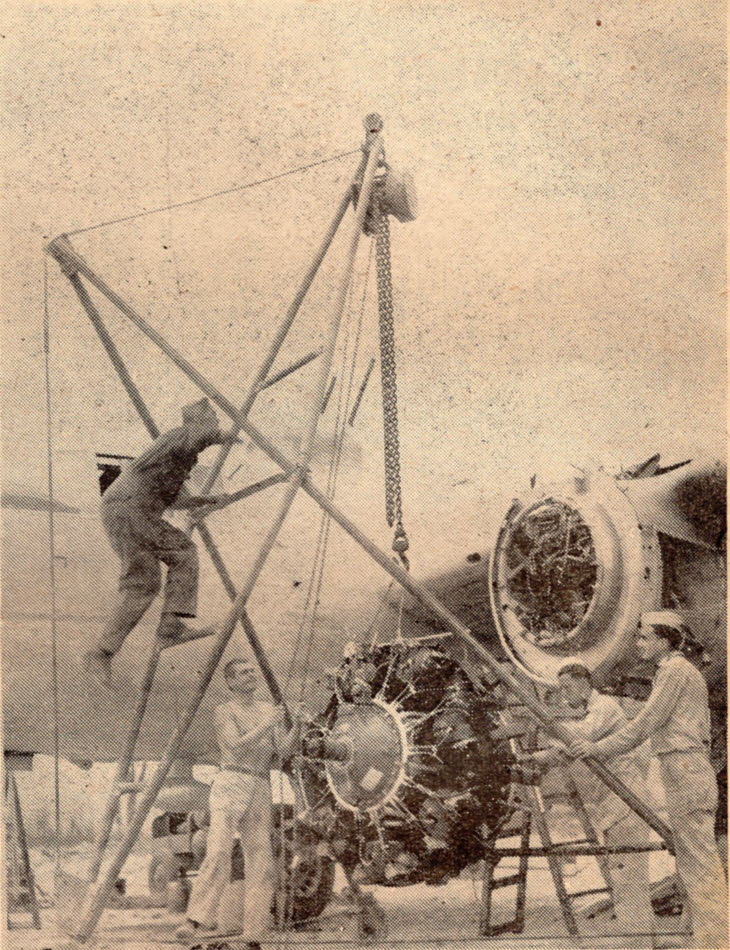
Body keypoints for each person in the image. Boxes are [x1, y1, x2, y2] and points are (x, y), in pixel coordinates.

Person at [568, 612, 728, 950]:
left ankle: (715, 942)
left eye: (644, 637)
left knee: (699, 862)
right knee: (694, 859)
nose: (638, 643)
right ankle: (705, 938)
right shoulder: (676, 671)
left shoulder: (674, 671)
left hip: (685, 768)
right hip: (682, 768)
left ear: (665, 640)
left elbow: (644, 725)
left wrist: (596, 748)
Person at [84, 398, 238, 685]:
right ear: (199, 424)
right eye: (212, 425)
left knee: (143, 586)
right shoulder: (179, 436)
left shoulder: (176, 457)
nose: (212, 433)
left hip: (123, 510)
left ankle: (102, 652)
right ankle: (169, 624)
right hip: (131, 509)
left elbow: (178, 499)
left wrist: (207, 499)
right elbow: (198, 435)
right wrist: (229, 436)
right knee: (184, 551)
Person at [523, 658, 655, 945]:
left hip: (625, 803)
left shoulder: (604, 706)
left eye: (567, 687)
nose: (564, 695)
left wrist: (546, 727)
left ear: (583, 683)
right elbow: (570, 749)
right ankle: (642, 943)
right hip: (615, 806)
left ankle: (639, 945)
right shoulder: (592, 712)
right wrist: (537, 756)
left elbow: (578, 737)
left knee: (628, 881)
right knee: (624, 880)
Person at [176, 658, 300, 949]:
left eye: (252, 672)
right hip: (231, 781)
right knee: (218, 850)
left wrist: (297, 728)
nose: (250, 676)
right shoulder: (225, 711)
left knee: (261, 860)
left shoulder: (268, 711)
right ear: (230, 682)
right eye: (243, 673)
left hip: (259, 784)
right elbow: (234, 745)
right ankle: (194, 920)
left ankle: (254, 932)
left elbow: (281, 753)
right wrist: (268, 723)